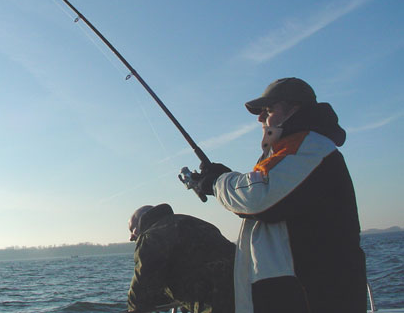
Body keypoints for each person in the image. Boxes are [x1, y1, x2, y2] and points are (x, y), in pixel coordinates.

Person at [194, 77, 367, 313]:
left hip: (311, 296)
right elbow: (266, 197)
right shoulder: (292, 151)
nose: (260, 118)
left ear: (294, 108)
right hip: (294, 293)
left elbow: (259, 198)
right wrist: (224, 179)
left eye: (268, 109)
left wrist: (217, 182)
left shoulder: (310, 146)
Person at [127, 203, 235, 313]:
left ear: (141, 221)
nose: (130, 237)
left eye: (132, 229)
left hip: (217, 305)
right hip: (245, 292)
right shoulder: (196, 223)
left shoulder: (150, 237)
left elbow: (141, 289)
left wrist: (134, 308)